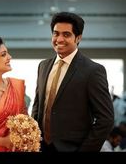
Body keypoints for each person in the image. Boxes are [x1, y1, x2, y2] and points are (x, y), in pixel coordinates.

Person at [31, 12, 114, 152]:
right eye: (56, 33)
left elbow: (105, 119)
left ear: (78, 38)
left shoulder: (93, 70)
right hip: (41, 147)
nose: (59, 39)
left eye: (66, 34)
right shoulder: (43, 66)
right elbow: (38, 106)